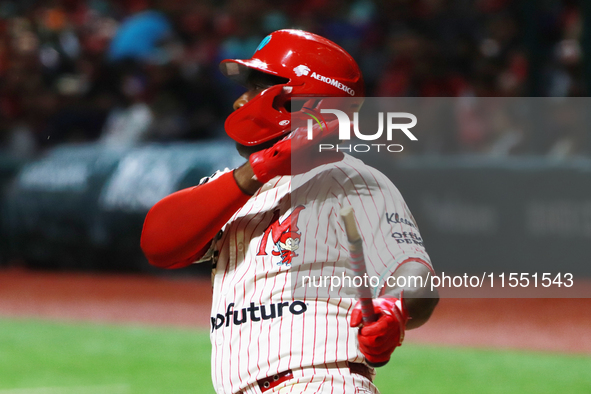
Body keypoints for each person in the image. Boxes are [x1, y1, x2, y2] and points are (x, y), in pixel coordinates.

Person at [141, 29, 438, 394]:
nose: (239, 103)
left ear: (291, 102)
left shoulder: (351, 178)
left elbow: (415, 272)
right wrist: (261, 169)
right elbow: (158, 243)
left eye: (254, 88)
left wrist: (394, 306)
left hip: (319, 383)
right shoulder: (235, 185)